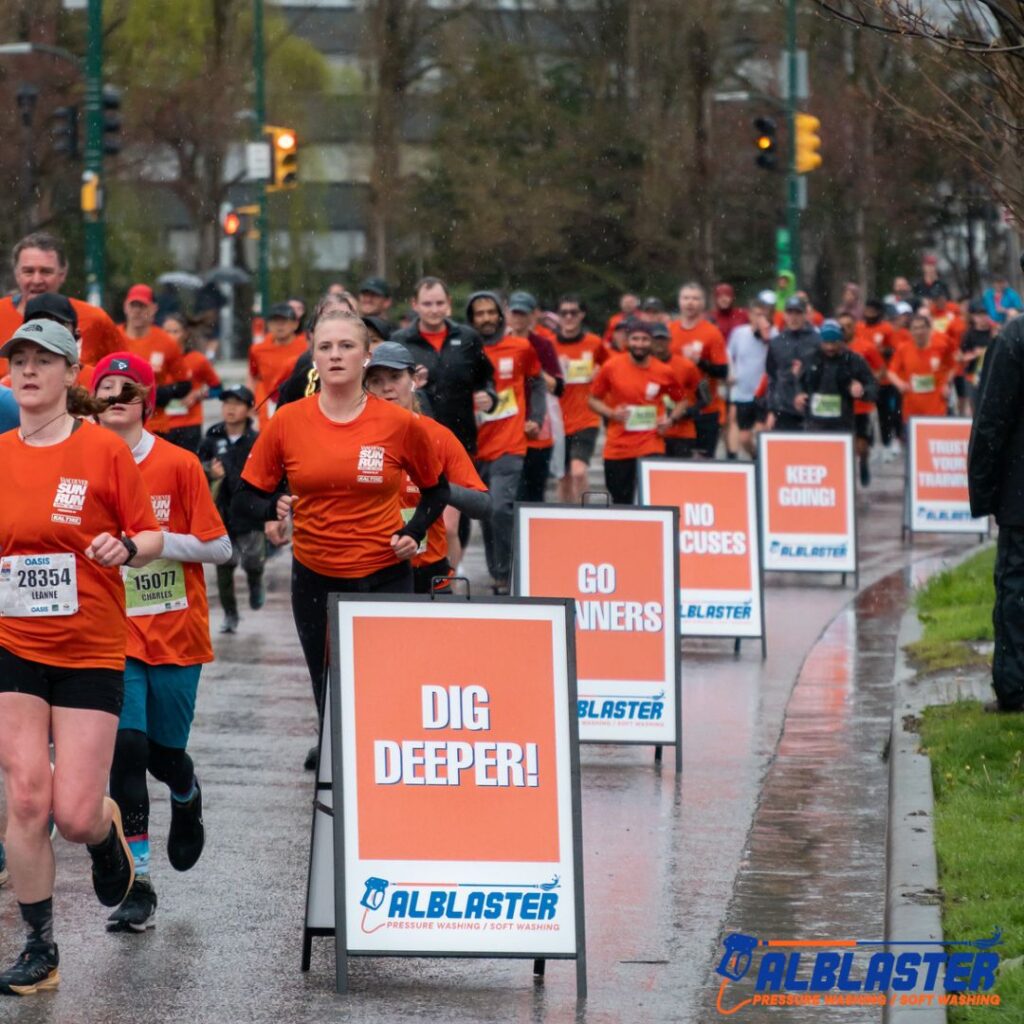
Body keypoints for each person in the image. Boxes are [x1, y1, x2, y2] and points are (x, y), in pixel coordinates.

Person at [0, 320, 164, 994]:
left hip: (91, 647)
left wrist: (125, 548)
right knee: (27, 796)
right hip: (13, 644)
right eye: (19, 361)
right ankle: (40, 947)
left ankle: (104, 831)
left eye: (45, 361)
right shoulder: (0, 453)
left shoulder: (102, 450)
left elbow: (150, 533)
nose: (30, 371)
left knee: (72, 813)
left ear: (72, 375)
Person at [233, 310, 450, 751]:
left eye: (346, 346)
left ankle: (383, 783)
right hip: (314, 575)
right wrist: (271, 511)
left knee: (387, 689)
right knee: (326, 688)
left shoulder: (400, 424)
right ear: (312, 356)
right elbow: (244, 497)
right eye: (325, 347)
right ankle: (336, 786)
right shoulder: (289, 421)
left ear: (366, 356)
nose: (336, 356)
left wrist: (416, 529)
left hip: (384, 573)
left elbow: (436, 490)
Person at [92, 352, 231, 933]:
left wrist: (148, 543)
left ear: (148, 401)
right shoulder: (82, 463)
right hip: (109, 632)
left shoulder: (178, 464)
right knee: (124, 751)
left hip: (175, 631)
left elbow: (219, 548)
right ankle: (139, 882)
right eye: (107, 387)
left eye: (131, 388)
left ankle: (186, 791)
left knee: (163, 754)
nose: (118, 395)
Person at [364, 342, 492, 593]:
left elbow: (483, 506)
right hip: (371, 571)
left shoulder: (438, 437)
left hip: (428, 573)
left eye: (395, 377)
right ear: (366, 386)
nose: (387, 387)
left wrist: (439, 489)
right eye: (376, 380)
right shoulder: (355, 436)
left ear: (414, 380)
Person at [466, 291, 544, 592]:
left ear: (500, 314)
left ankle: (507, 573)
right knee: (487, 511)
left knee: (500, 507)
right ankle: (497, 570)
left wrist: (536, 417)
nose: (485, 318)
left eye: (490, 312)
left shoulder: (521, 347)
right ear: (472, 318)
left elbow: (536, 383)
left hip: (511, 442)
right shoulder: (466, 351)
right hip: (476, 445)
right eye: (479, 313)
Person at [967, 310, 1024, 713]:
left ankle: (1015, 687)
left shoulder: (1014, 339)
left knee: (1016, 588)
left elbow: (991, 422)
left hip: (1020, 496)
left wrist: (985, 493)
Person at [389, 276, 496, 455]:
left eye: (440, 303)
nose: (434, 310)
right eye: (427, 304)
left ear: (449, 303)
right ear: (415, 304)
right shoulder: (399, 341)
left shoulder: (468, 338)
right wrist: (412, 385)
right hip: (416, 439)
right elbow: (387, 387)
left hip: (462, 440)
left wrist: (490, 397)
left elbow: (486, 379)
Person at [0, 232, 122, 378]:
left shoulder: (95, 319)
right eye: (28, 271)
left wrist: (93, 378)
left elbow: (125, 369)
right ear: (17, 274)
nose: (37, 280)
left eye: (46, 271)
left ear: (62, 274)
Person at [588, 319, 684, 504]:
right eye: (635, 339)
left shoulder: (664, 371)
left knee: (651, 500)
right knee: (621, 502)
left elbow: (681, 401)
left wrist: (670, 419)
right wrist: (611, 413)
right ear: (627, 341)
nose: (639, 344)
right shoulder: (611, 366)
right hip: (619, 447)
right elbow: (593, 400)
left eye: (644, 339)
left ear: (652, 342)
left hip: (651, 444)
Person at [198, 386, 265, 633]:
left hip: (250, 513)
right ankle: (230, 614)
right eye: (227, 403)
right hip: (221, 513)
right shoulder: (212, 438)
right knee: (224, 567)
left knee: (253, 561)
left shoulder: (257, 440)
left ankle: (256, 582)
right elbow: (197, 468)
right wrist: (209, 472)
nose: (231, 409)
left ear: (249, 409)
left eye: (237, 404)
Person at [507, 291, 565, 503]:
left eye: (524, 314)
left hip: (538, 423)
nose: (519, 318)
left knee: (534, 491)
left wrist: (532, 368)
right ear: (507, 314)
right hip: (508, 423)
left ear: (533, 316)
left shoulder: (543, 345)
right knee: (510, 492)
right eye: (515, 313)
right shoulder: (497, 343)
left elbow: (558, 387)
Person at [119, 284, 193, 444]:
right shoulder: (113, 337)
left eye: (142, 306)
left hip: (155, 425)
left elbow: (184, 384)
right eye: (133, 305)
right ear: (125, 307)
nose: (137, 311)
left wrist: (161, 393)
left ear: (153, 309)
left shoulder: (165, 342)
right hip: (117, 424)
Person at [552, 294, 607, 502]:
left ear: (581, 315)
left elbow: (610, 368)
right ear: (558, 316)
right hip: (558, 420)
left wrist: (599, 374)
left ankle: (586, 516)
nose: (568, 317)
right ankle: (566, 521)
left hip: (586, 417)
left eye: (573, 312)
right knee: (563, 477)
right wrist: (555, 368)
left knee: (578, 472)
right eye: (564, 312)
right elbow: (538, 376)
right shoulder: (549, 344)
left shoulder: (594, 343)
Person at [669, 283, 728, 458]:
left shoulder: (711, 332)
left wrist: (700, 362)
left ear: (702, 303)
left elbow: (723, 372)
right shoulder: (669, 330)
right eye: (686, 298)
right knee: (673, 461)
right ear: (679, 302)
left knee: (702, 462)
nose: (690, 303)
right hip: (675, 408)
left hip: (705, 408)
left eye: (695, 298)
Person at [795, 319, 878, 437]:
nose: (830, 347)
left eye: (834, 343)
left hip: (843, 426)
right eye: (826, 342)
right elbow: (798, 382)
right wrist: (799, 394)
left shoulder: (853, 360)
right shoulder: (810, 358)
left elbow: (873, 387)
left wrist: (861, 391)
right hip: (814, 426)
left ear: (841, 341)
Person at [158, 313, 222, 453]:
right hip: (160, 424)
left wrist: (198, 394)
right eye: (166, 331)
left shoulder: (197, 359)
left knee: (187, 467)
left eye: (175, 331)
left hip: (189, 425)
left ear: (185, 334)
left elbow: (218, 389)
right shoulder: (155, 360)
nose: (170, 336)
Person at [727, 297, 774, 458]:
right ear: (750, 315)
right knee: (744, 438)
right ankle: (756, 458)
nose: (759, 318)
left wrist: (765, 336)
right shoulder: (739, 333)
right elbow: (728, 353)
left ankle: (764, 462)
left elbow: (778, 354)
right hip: (743, 391)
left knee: (762, 432)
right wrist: (731, 372)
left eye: (763, 314)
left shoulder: (773, 333)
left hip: (763, 393)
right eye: (756, 314)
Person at [842, 311, 886, 485]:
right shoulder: (834, 349)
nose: (845, 330)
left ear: (855, 328)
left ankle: (864, 462)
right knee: (846, 442)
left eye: (848, 326)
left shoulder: (866, 347)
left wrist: (868, 383)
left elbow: (881, 368)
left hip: (862, 406)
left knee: (862, 445)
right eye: (842, 327)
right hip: (843, 407)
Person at [765, 295, 820, 431]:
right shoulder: (776, 342)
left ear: (805, 315)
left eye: (798, 313)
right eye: (790, 313)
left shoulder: (817, 341)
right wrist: (771, 410)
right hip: (784, 408)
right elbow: (772, 377)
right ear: (784, 315)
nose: (793, 318)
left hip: (812, 406)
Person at [247, 302, 308, 426]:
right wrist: (248, 401)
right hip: (268, 403)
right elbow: (253, 376)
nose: (280, 326)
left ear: (295, 324)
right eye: (275, 321)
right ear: (268, 325)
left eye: (284, 321)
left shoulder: (306, 347)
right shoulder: (257, 350)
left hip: (299, 403)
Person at [886, 313, 950, 426]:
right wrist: (900, 384)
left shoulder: (941, 346)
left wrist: (947, 383)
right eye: (915, 328)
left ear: (929, 329)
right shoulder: (903, 349)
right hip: (912, 407)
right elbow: (891, 372)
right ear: (910, 331)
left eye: (922, 327)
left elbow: (952, 366)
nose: (919, 332)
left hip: (936, 407)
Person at [650, 322, 701, 458]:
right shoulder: (643, 366)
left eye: (663, 339)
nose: (659, 343)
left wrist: (686, 412)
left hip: (682, 433)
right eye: (656, 339)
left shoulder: (686, 366)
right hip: (651, 434)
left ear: (670, 340)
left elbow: (704, 397)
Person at [958, 301, 998, 416]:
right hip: (973, 376)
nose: (982, 318)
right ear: (973, 317)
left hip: (991, 374)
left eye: (984, 314)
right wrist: (975, 354)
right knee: (976, 407)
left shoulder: (994, 331)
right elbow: (960, 357)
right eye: (979, 315)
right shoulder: (969, 334)